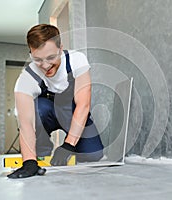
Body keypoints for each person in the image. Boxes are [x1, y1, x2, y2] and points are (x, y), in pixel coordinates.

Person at [7, 24, 104, 179]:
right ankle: (40, 153)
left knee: (93, 154)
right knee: (39, 107)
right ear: (30, 53)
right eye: (37, 59)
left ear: (60, 49)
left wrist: (68, 145)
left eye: (51, 57)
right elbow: (25, 123)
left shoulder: (76, 60)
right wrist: (29, 161)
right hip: (46, 111)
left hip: (72, 111)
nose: (45, 66)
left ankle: (74, 149)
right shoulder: (27, 77)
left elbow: (83, 105)